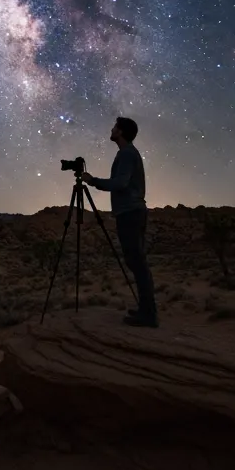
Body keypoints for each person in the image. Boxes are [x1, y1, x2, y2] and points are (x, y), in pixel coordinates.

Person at [82, 116, 157, 327]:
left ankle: (148, 314)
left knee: (137, 263)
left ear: (121, 132)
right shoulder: (127, 153)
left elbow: (120, 183)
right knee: (136, 262)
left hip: (130, 213)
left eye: (115, 127)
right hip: (132, 212)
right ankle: (146, 309)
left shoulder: (126, 154)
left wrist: (93, 181)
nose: (112, 129)